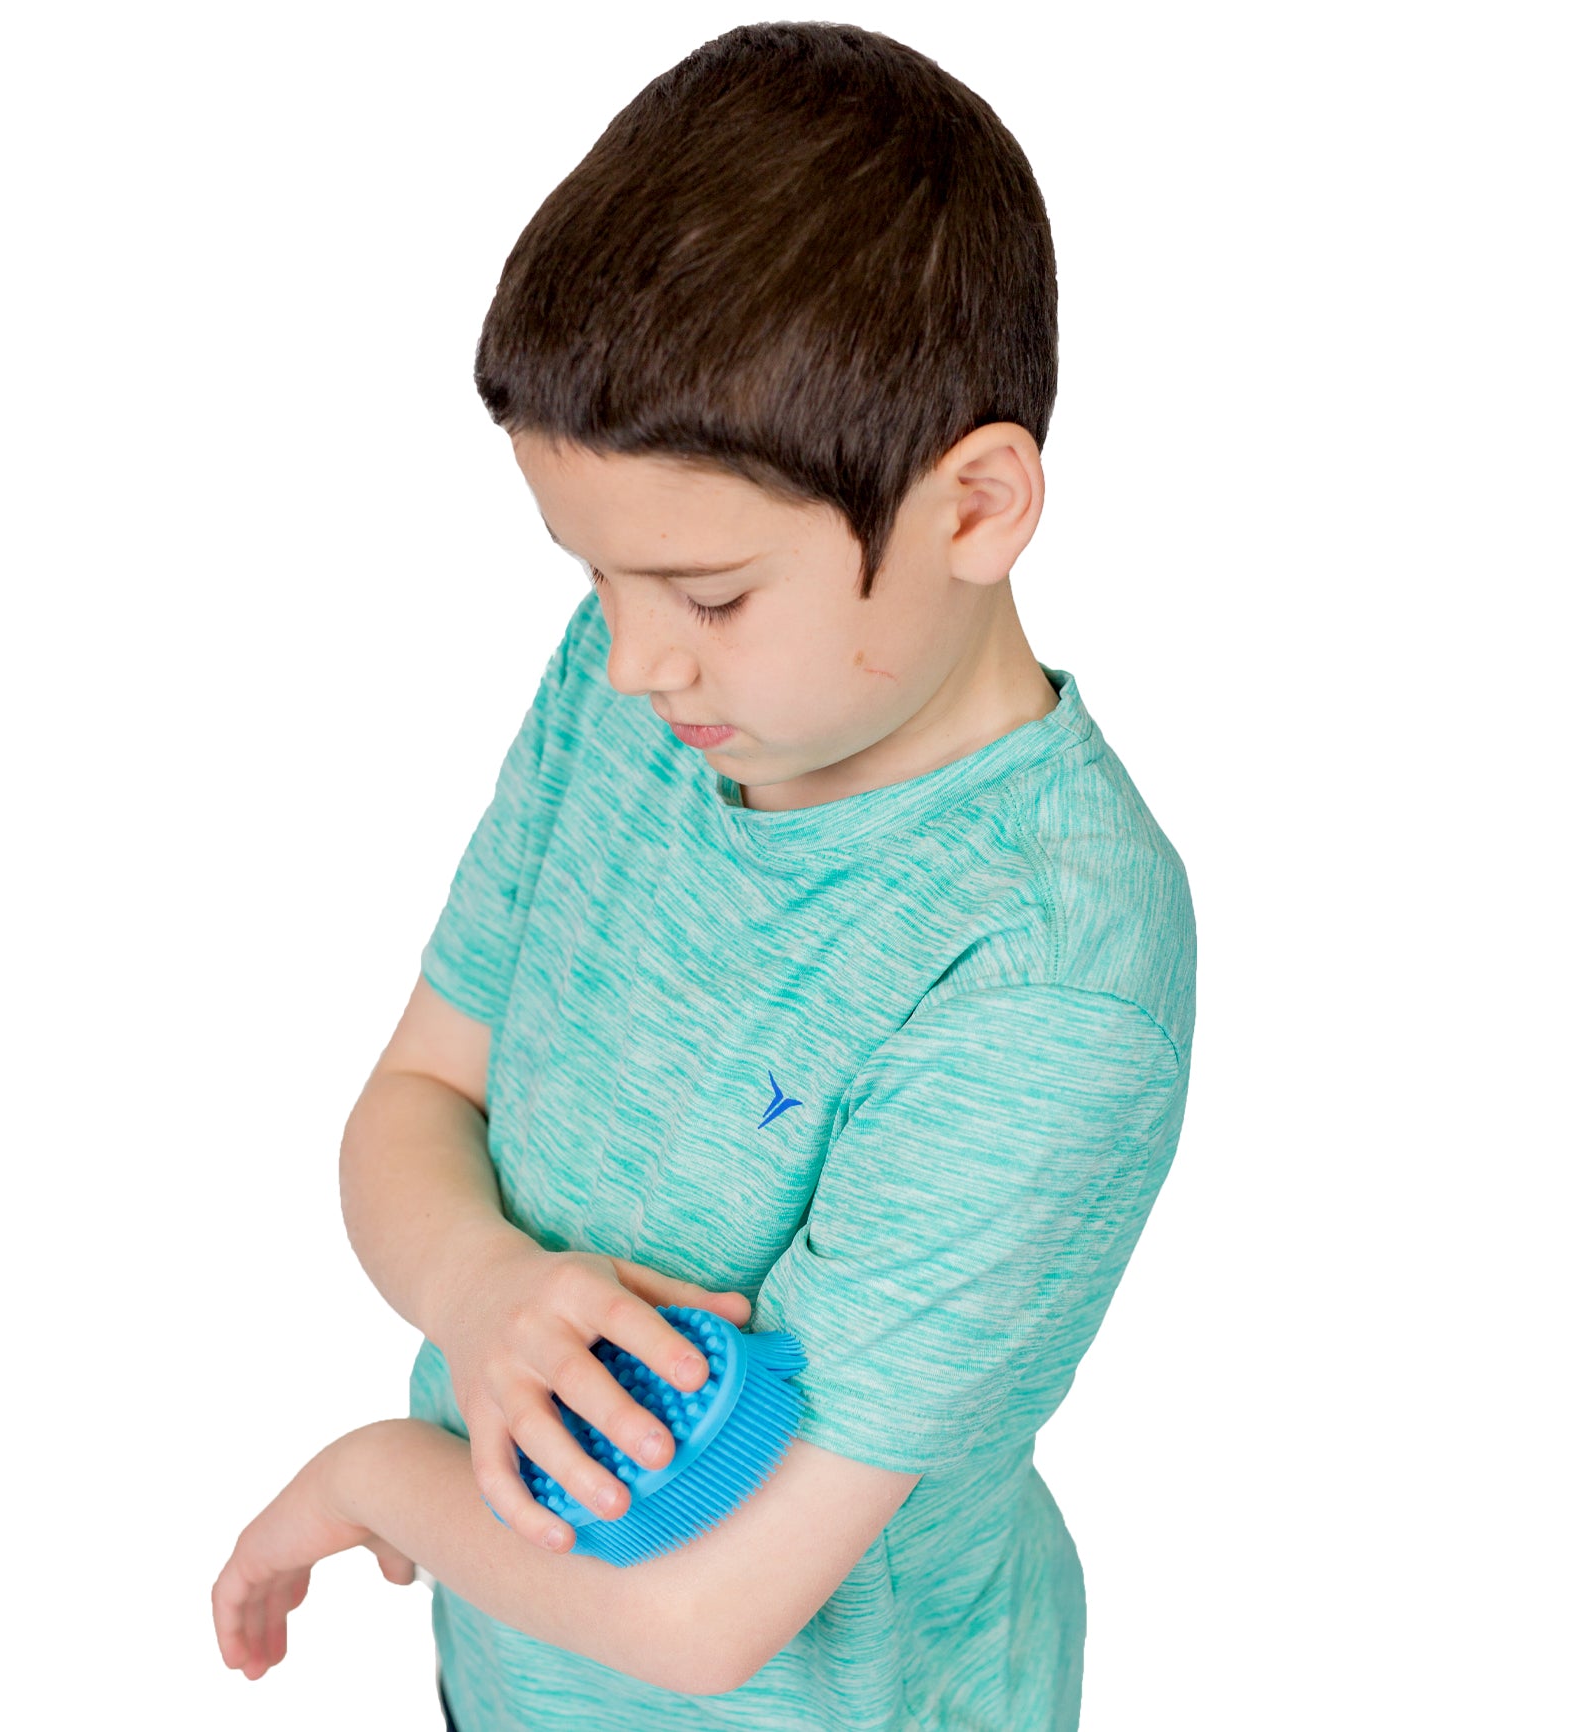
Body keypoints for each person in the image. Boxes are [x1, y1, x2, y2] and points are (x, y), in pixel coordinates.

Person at [212, 22, 1196, 1732]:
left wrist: (381, 1473)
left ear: (976, 506)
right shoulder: (651, 707)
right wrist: (484, 1289)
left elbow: (702, 1622)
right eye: (595, 577)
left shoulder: (1043, 980)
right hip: (516, 1669)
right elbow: (421, 1091)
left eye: (710, 593)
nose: (631, 661)